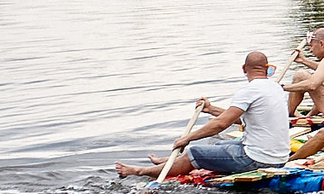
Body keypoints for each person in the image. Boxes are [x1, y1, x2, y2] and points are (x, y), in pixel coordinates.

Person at [116, 50, 291, 178]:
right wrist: (211, 108)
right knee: (220, 144)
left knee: (194, 152)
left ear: (244, 69)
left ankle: (140, 171)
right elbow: (240, 118)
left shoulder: (249, 90)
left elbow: (221, 124)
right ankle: (169, 161)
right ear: (267, 69)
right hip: (280, 157)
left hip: (258, 159)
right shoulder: (276, 88)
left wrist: (188, 138)